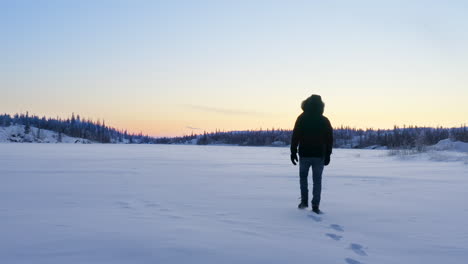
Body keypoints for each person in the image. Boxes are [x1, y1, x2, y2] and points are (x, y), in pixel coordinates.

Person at [290, 94, 333, 214]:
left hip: (304, 154)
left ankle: (304, 202)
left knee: (303, 178)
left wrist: (293, 151)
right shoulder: (324, 120)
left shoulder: (301, 118)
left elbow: (295, 136)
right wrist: (328, 154)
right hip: (319, 155)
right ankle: (315, 205)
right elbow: (329, 139)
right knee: (317, 180)